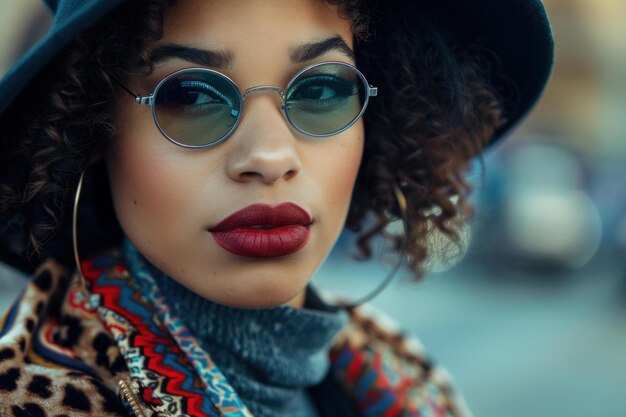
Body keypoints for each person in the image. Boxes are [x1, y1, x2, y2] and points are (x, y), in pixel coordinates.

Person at [0, 0, 553, 416]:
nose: (269, 157)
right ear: (92, 131)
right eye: (190, 95)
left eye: (320, 90)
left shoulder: (412, 385)